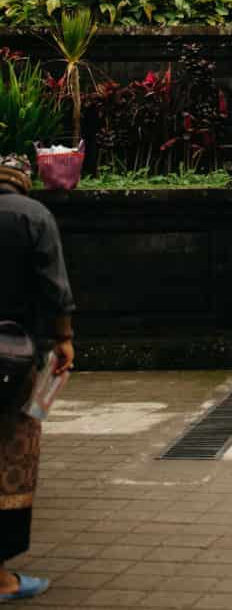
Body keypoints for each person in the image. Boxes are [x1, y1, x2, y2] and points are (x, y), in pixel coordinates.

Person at [0, 152, 75, 603]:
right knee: (13, 456)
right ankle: (2, 577)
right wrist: (64, 339)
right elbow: (55, 288)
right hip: (17, 357)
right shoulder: (34, 216)